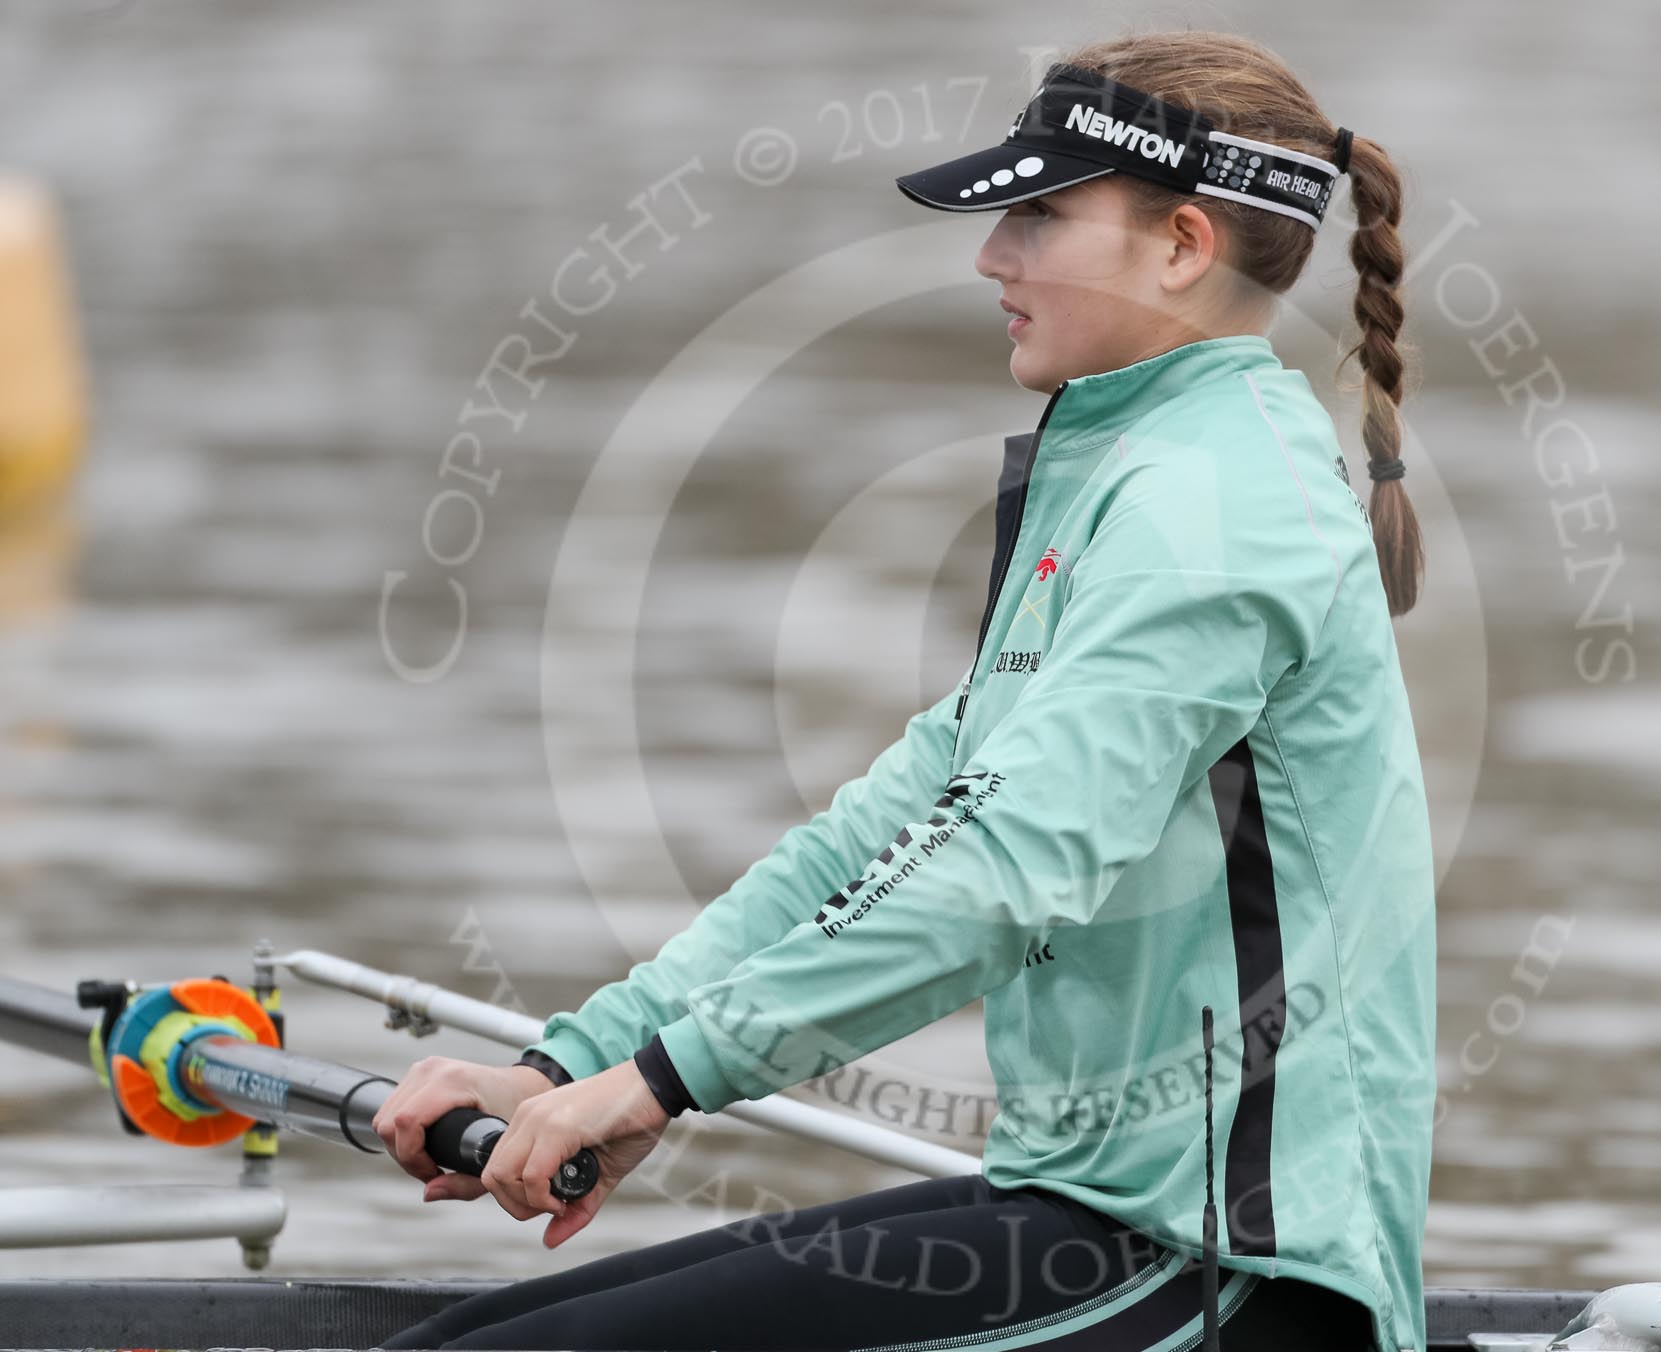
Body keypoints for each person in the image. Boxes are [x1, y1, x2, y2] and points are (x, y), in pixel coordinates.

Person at [373, 29, 1433, 1352]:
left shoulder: (1217, 512)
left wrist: (658, 1086)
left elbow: (1002, 868)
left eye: (1042, 215)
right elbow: (886, 836)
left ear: (1180, 246)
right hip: (1097, 1210)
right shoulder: (1129, 477)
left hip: (1228, 1272)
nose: (994, 255)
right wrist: (580, 1061)